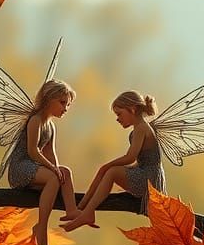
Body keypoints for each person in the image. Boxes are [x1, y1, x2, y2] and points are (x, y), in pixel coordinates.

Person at [60, 89, 165, 230]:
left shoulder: (141, 128)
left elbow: (130, 157)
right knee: (107, 170)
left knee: (111, 172)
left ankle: (87, 212)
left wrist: (108, 165)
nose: (118, 119)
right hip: (145, 173)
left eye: (119, 114)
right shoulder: (138, 129)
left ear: (132, 109)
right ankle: (81, 206)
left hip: (149, 180)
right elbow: (139, 161)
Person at [5, 79, 80, 245]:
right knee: (54, 176)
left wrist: (57, 168)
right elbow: (32, 152)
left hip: (36, 167)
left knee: (65, 172)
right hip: (21, 168)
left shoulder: (50, 126)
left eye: (68, 104)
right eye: (62, 103)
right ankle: (41, 226)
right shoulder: (35, 120)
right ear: (48, 99)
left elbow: (49, 153)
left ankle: (72, 210)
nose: (65, 108)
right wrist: (53, 170)